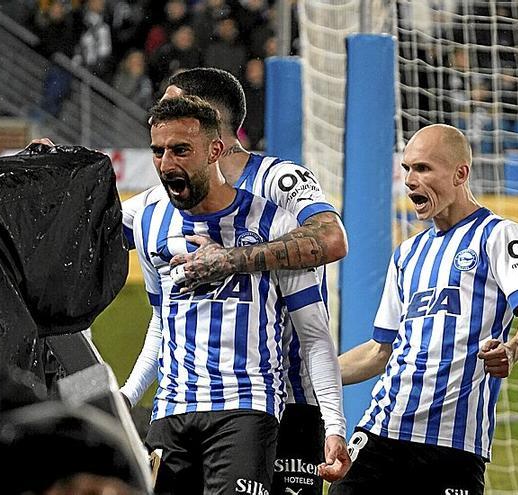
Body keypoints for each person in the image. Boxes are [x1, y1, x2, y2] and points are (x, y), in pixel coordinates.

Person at [119, 67, 348, 495]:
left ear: (211, 128)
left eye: (178, 105)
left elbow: (332, 239)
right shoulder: (155, 206)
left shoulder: (279, 182)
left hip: (287, 393)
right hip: (186, 401)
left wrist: (231, 261)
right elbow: (154, 303)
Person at [328, 124, 518, 495]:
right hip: (381, 433)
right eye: (407, 169)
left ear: (460, 173)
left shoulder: (498, 235)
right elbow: (379, 351)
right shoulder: (407, 254)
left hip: (453, 448)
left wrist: (512, 349)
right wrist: (311, 374)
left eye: (424, 169)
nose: (411, 180)